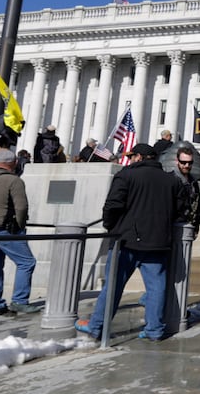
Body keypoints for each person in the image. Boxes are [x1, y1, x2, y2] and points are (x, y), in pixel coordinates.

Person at [77, 143, 185, 341]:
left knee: (113, 286)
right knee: (156, 288)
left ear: (140, 157)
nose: (130, 158)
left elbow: (112, 206)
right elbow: (180, 209)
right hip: (157, 241)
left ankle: (97, 327)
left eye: (132, 155)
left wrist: (112, 228)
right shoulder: (172, 181)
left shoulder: (126, 176)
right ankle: (154, 329)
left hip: (126, 241)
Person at [0, 148, 40, 315]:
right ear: (14, 163)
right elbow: (21, 206)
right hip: (6, 227)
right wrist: (19, 225)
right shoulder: (14, 181)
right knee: (27, 262)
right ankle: (20, 301)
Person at [173, 145, 200, 232]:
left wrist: (196, 225)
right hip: (173, 226)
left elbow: (198, 205)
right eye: (183, 162)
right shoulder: (170, 180)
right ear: (177, 161)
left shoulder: (193, 181)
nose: (186, 165)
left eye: (190, 162)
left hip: (189, 226)